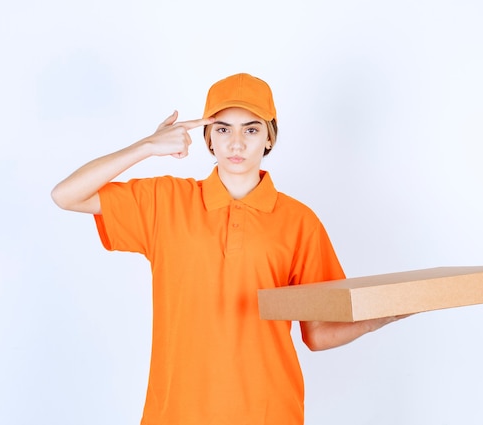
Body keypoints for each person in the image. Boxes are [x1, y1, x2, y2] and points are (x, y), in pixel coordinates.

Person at [51, 73, 406, 425]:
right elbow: (66, 195)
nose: (236, 143)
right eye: (223, 129)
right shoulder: (165, 201)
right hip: (177, 414)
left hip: (269, 413)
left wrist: (382, 317)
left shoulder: (299, 222)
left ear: (269, 137)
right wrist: (146, 146)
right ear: (207, 137)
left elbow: (316, 333)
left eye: (251, 129)